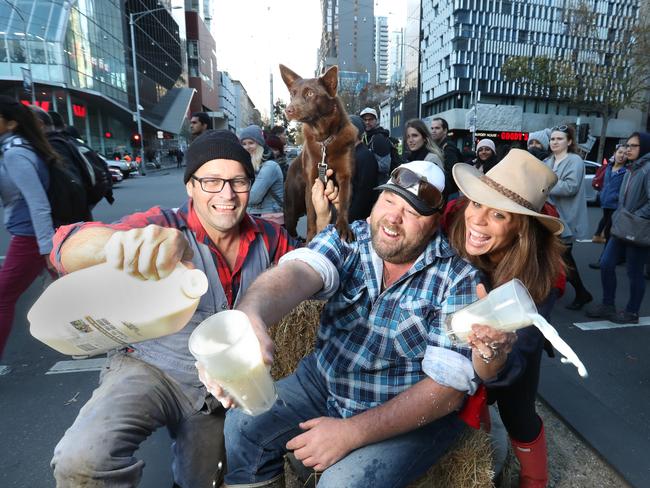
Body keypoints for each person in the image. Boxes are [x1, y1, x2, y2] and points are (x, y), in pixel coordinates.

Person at [49, 130, 340, 487]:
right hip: (151, 369)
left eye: (238, 181)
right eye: (212, 181)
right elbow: (65, 245)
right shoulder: (164, 226)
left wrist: (323, 219)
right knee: (82, 460)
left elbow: (308, 270)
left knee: (204, 481)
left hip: (225, 389)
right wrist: (117, 244)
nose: (227, 195)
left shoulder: (269, 237)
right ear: (190, 186)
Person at [199, 161, 518, 488]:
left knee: (342, 484)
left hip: (401, 407)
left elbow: (447, 392)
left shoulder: (457, 278)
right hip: (324, 380)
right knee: (241, 426)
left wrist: (352, 432)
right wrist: (252, 314)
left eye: (413, 211)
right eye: (390, 200)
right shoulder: (350, 237)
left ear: (435, 222)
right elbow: (300, 271)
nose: (394, 217)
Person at [447, 149, 565, 488]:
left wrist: (490, 356)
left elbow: (512, 366)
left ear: (522, 229)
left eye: (498, 214)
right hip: (460, 348)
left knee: (518, 411)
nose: (477, 220)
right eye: (475, 203)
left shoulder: (538, 280)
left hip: (509, 357)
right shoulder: (455, 236)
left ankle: (535, 479)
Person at [0, 96, 58, 358]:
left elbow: (38, 203)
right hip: (32, 235)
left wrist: (46, 248)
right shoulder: (24, 147)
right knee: (66, 290)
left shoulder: (15, 153)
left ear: (11, 123)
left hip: (30, 237)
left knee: (3, 297)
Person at [586, 132, 650, 324]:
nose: (628, 149)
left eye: (633, 146)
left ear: (645, 147)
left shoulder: (647, 169)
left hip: (637, 228)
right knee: (606, 264)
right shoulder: (631, 168)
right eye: (627, 145)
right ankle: (608, 305)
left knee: (634, 271)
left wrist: (636, 216)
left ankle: (632, 312)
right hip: (621, 226)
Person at [543, 125, 592, 310]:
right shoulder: (548, 160)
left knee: (563, 258)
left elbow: (570, 187)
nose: (554, 142)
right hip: (549, 217)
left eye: (559, 139)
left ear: (569, 141)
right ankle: (570, 291)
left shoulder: (575, 160)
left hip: (567, 219)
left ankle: (581, 292)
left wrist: (545, 185)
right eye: (552, 139)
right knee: (555, 256)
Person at [240, 125, 284, 225]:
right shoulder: (250, 165)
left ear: (260, 144)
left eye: (251, 143)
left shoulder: (270, 166)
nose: (247, 147)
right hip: (256, 216)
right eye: (244, 144)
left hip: (271, 219)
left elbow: (253, 198)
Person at [590, 144, 627, 250]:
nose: (622, 155)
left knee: (609, 231)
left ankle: (604, 259)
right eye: (620, 152)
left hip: (616, 205)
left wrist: (617, 197)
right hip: (606, 203)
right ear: (615, 154)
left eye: (625, 154)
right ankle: (616, 256)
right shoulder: (608, 168)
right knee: (607, 227)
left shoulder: (626, 171)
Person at [348, 115, 379, 221]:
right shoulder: (353, 154)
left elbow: (364, 194)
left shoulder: (365, 156)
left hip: (357, 221)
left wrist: (349, 218)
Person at [430, 117, 463, 198]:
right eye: (432, 128)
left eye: (437, 128)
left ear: (445, 131)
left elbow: (452, 171)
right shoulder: (438, 146)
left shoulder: (448, 147)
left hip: (449, 193)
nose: (433, 131)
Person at [360, 107, 392, 184]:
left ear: (376, 121)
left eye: (370, 119)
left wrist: (363, 164)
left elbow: (385, 166)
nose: (367, 122)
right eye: (365, 120)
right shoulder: (365, 137)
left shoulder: (379, 138)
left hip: (380, 185)